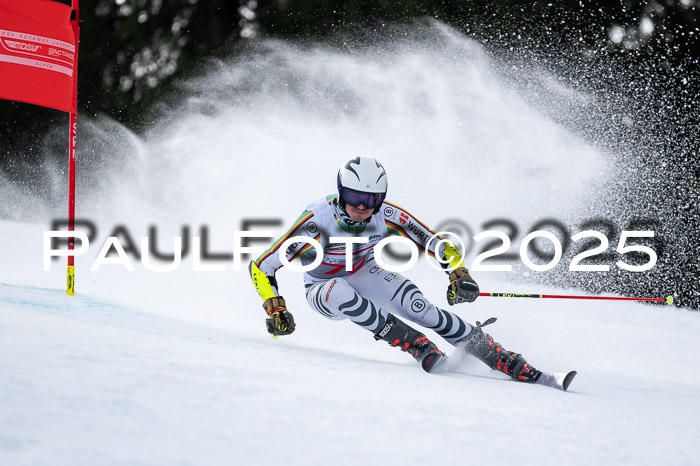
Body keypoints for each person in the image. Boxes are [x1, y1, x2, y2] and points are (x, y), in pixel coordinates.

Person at [249, 156, 571, 388]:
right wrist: (276, 307)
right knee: (341, 292)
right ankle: (413, 343)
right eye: (355, 197)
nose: (363, 206)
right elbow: (262, 266)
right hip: (322, 288)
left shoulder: (385, 215)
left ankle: (498, 355)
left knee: (421, 308)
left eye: (372, 199)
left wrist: (458, 272)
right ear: (341, 193)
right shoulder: (316, 221)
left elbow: (432, 241)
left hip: (365, 270)